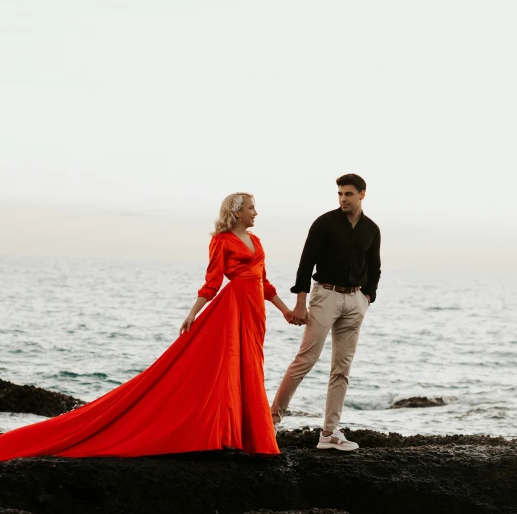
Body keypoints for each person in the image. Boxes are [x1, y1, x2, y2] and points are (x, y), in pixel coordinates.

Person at [0, 193, 293, 460]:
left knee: (251, 365)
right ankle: (228, 434)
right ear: (237, 211)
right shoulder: (221, 240)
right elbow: (213, 282)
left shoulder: (257, 243)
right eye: (252, 208)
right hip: (231, 310)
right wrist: (192, 313)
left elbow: (264, 284)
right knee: (226, 368)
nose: (256, 213)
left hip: (255, 312)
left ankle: (247, 436)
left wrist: (286, 311)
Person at [271, 174, 381, 452]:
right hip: (325, 296)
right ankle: (270, 423)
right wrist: (300, 303)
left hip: (355, 300)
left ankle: (329, 433)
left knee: (341, 369)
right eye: (340, 194)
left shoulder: (372, 230)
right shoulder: (325, 223)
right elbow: (306, 263)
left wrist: (367, 297)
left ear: (362, 195)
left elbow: (374, 266)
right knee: (305, 359)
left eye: (348, 194)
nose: (343, 198)